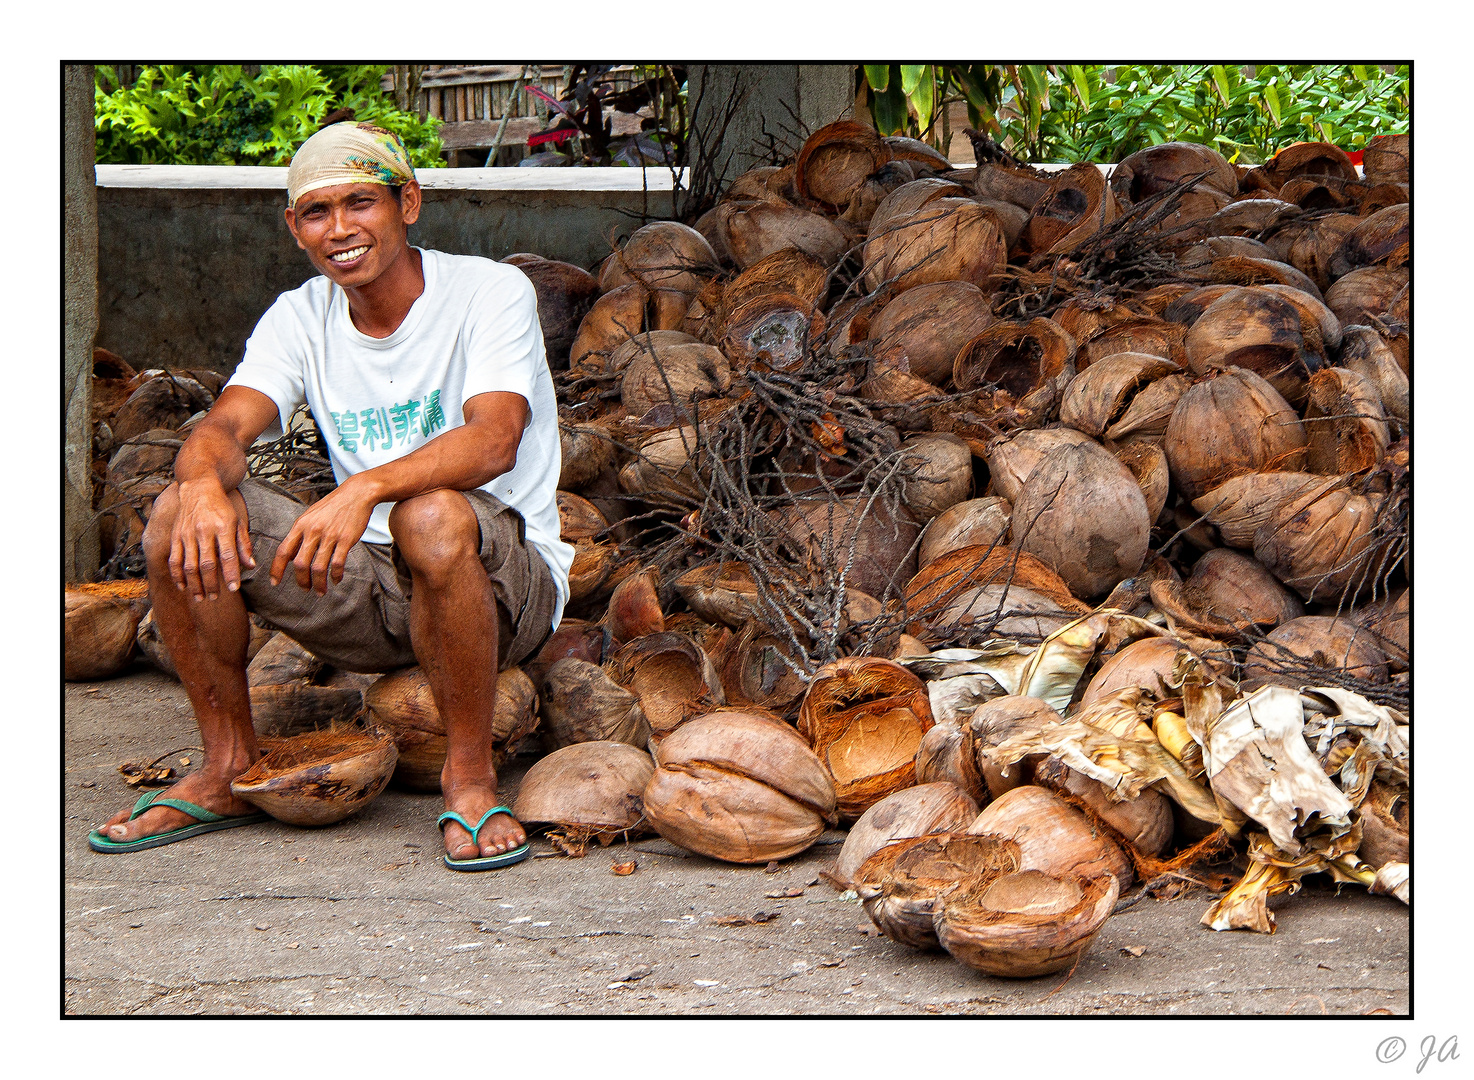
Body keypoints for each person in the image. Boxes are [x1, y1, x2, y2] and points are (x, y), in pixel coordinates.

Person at [89, 122, 573, 871]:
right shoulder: (300, 316)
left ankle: (470, 777)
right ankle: (225, 767)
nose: (340, 228)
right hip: (371, 593)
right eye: (317, 212)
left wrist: (368, 487)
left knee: (431, 513)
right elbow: (223, 426)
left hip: (504, 589)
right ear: (295, 227)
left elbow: (493, 440)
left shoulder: (487, 291)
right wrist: (201, 485)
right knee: (171, 519)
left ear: (406, 202)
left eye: (361, 203)